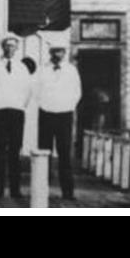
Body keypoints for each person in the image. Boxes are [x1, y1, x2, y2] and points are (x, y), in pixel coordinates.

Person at [0, 32, 32, 200]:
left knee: (14, 152)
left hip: (16, 113)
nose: (10, 48)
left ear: (17, 48)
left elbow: (27, 91)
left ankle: (15, 190)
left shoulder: (22, 68)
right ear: (2, 47)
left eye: (13, 45)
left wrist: (18, 105)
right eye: (7, 45)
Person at [36, 30, 82, 201]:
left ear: (64, 53)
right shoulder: (43, 70)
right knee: (44, 154)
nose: (57, 54)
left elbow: (77, 93)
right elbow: (36, 90)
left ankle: (67, 192)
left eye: (60, 51)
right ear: (50, 53)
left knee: (64, 154)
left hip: (64, 116)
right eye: (54, 51)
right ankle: (42, 190)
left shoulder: (71, 71)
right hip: (46, 115)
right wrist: (45, 106)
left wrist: (66, 107)